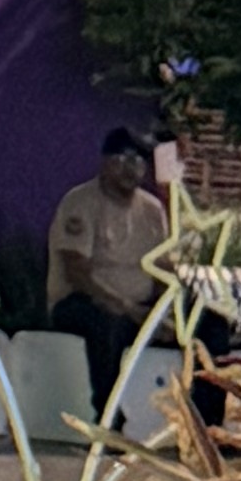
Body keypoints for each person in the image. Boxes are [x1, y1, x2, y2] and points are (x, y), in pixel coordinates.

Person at [46, 128, 170, 419]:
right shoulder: (80, 202)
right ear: (105, 161)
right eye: (123, 159)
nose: (131, 169)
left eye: (139, 161)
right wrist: (126, 307)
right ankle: (108, 418)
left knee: (208, 323)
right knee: (107, 324)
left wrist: (165, 312)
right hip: (85, 302)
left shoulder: (152, 210)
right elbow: (77, 273)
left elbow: (164, 269)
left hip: (139, 308)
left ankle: (208, 422)